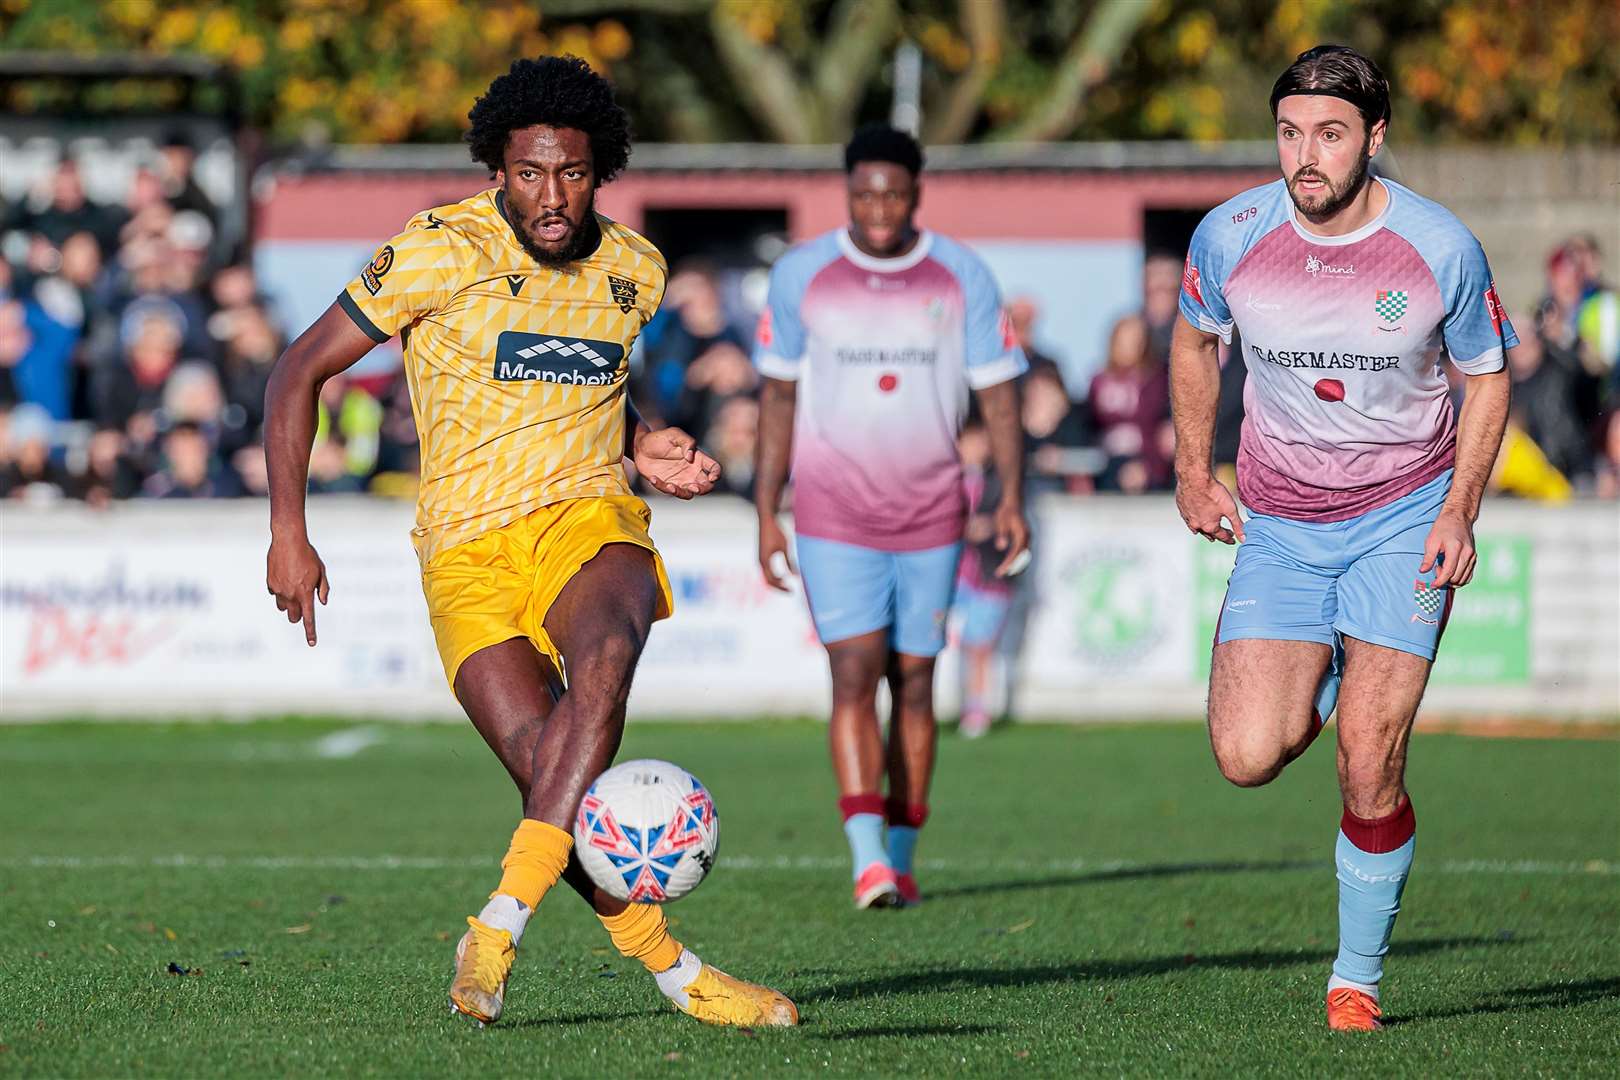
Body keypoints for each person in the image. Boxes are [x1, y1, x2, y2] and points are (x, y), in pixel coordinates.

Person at [262, 56, 796, 1030]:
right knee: (557, 773)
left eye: (574, 174)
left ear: (604, 171)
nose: (553, 197)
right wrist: (288, 532)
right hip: (464, 549)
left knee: (606, 652)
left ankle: (497, 927)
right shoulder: (434, 251)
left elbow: (595, 381)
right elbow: (297, 372)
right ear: (495, 170)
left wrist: (644, 442)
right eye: (530, 174)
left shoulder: (634, 271)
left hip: (589, 519)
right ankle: (680, 977)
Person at [1170, 46, 1516, 1032]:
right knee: (1244, 754)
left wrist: (1460, 509)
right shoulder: (1230, 234)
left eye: (1328, 134)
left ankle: (1355, 978)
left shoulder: (1439, 247)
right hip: (1280, 524)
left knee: (1368, 757)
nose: (1304, 156)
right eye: (1288, 132)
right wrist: (1195, 470)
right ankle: (1329, 670)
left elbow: (1487, 375)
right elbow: (1196, 342)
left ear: (1374, 133)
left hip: (1403, 519)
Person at [753, 124, 1030, 909]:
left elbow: (999, 392)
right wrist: (767, 509)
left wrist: (1009, 496)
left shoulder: (961, 275)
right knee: (853, 670)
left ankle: (904, 853)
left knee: (915, 680)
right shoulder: (802, 274)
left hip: (933, 512)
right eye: (865, 192)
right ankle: (867, 856)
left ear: (917, 193)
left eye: (894, 193)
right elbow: (776, 394)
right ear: (848, 192)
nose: (879, 207)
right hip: (831, 510)